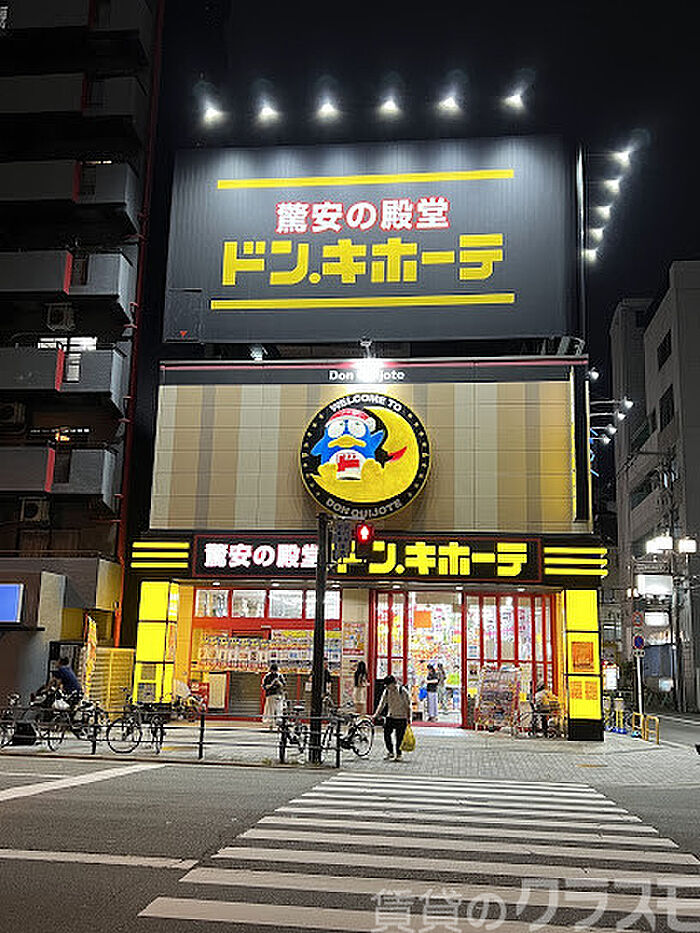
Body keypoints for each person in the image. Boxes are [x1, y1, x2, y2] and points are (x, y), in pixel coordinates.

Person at [374, 674, 411, 761]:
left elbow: (408, 706)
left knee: (399, 737)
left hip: (401, 717)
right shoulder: (387, 691)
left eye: (388, 685)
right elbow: (382, 704)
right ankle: (390, 752)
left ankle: (398, 754)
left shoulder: (402, 691)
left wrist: (408, 718)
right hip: (390, 716)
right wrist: (376, 714)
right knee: (386, 734)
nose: (387, 687)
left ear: (394, 683)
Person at [261, 662, 286, 731]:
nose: (274, 672)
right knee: (271, 710)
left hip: (278, 695)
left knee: (279, 710)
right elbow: (264, 686)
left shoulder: (280, 676)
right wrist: (271, 685)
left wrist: (278, 683)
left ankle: (278, 725)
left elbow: (283, 685)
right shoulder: (267, 676)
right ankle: (271, 725)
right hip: (271, 694)